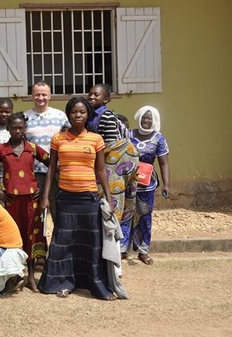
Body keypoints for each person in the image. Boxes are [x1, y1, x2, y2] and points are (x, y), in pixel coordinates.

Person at [37, 97, 117, 301]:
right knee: (64, 243)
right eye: (74, 111)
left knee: (90, 243)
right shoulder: (58, 139)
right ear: (68, 114)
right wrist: (45, 197)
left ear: (88, 114)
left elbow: (101, 171)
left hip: (89, 199)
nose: (78, 115)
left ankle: (96, 285)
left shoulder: (96, 139)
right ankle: (63, 283)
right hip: (65, 199)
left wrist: (108, 199)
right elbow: (51, 169)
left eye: (82, 112)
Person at [0, 112, 49, 291]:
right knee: (14, 237)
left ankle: (32, 276)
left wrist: (42, 189)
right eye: (14, 128)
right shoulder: (1, 150)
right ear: (8, 129)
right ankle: (16, 275)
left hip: (32, 202)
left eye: (20, 128)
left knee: (32, 236)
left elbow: (52, 165)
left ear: (25, 128)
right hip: (11, 202)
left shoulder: (33, 148)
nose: (17, 131)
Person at [87, 84, 139, 235]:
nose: (91, 97)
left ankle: (114, 238)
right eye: (90, 94)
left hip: (119, 158)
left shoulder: (107, 116)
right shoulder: (90, 115)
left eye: (96, 95)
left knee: (114, 198)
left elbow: (109, 144)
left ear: (106, 99)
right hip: (107, 158)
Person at [127, 106, 170, 265]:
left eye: (149, 119)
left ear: (155, 121)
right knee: (126, 216)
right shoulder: (129, 134)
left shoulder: (159, 139)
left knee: (144, 217)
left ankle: (143, 251)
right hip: (128, 183)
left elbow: (164, 163)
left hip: (147, 185)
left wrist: (166, 185)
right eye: (144, 118)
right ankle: (123, 249)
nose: (146, 121)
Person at [24, 81, 68, 220]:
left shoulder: (60, 116)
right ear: (32, 96)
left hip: (56, 171)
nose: (40, 98)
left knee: (57, 210)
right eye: (37, 94)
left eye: (44, 95)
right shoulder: (25, 117)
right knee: (35, 212)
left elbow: (68, 140)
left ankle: (58, 241)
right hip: (33, 172)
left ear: (50, 96)